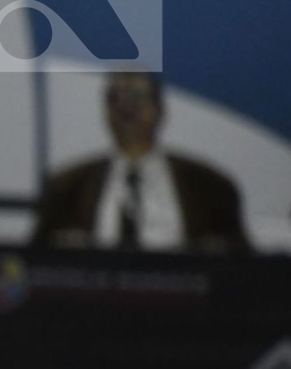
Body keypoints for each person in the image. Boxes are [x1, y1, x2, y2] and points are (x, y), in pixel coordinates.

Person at [31, 71, 249, 252]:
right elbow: (35, 262)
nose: (127, 108)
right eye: (116, 99)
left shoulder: (210, 188)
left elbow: (243, 264)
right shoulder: (67, 187)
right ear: (106, 112)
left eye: (137, 97)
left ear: (160, 110)